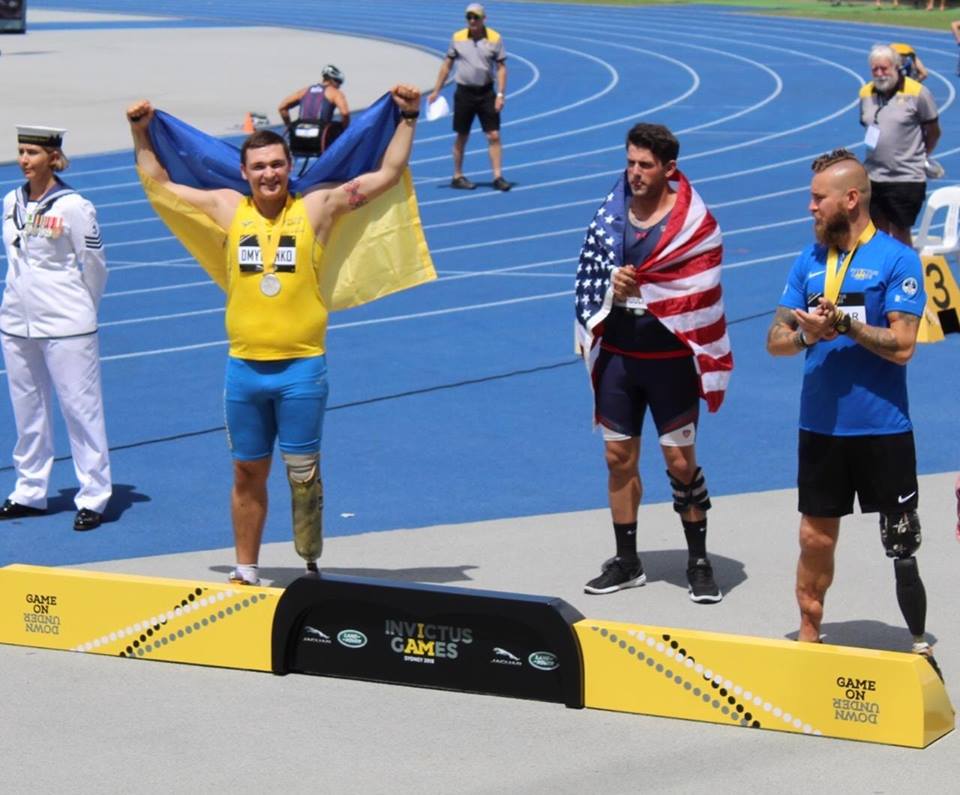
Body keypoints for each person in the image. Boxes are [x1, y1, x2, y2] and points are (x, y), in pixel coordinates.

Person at [127, 84, 423, 586]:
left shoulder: (318, 207)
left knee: (303, 477)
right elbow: (158, 182)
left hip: (301, 370)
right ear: (244, 172)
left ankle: (310, 561)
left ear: (290, 167)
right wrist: (140, 131)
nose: (269, 173)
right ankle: (245, 568)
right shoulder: (225, 207)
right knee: (247, 472)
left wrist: (409, 117)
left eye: (277, 165)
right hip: (244, 371)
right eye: (259, 166)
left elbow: (388, 174)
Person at [766, 148, 938, 675]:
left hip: (882, 426)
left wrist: (845, 325)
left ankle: (918, 647)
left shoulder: (896, 260)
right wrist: (805, 335)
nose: (810, 207)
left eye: (818, 198)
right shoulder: (808, 261)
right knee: (814, 538)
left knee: (901, 540)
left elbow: (903, 346)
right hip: (821, 427)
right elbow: (775, 340)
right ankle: (809, 640)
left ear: (851, 199)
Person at [574, 123, 733, 603]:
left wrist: (648, 286)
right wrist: (611, 285)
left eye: (645, 165)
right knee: (617, 458)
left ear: (669, 169)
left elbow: (700, 284)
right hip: (620, 359)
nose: (635, 173)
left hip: (669, 362)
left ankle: (698, 561)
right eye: (630, 163)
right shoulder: (611, 216)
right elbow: (589, 269)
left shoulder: (693, 224)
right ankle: (627, 561)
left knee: (680, 463)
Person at [0, 125, 111, 531]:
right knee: (27, 410)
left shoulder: (74, 206)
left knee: (80, 411)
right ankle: (30, 490)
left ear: (53, 157)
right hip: (17, 322)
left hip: (67, 324)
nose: (23, 160)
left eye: (32, 152)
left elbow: (95, 264)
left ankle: (94, 495)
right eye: (21, 151)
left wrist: (83, 308)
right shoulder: (10, 201)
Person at [859, 43, 941, 247]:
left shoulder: (918, 93)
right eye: (875, 69)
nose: (880, 74)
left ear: (896, 67)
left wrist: (922, 154)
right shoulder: (866, 93)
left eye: (884, 68)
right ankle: (883, 268)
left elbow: (933, 131)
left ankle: (904, 268)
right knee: (876, 233)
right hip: (874, 176)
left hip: (906, 176)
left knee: (900, 233)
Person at [427, 3, 510, 192]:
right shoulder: (458, 37)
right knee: (462, 135)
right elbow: (447, 65)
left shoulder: (494, 38)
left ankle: (498, 177)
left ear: (483, 19)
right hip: (464, 93)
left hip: (486, 92)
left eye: (475, 17)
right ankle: (457, 176)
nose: (472, 21)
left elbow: (501, 68)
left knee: (494, 134)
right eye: (469, 17)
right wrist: (436, 90)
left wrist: (500, 94)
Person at [278, 64, 350, 157]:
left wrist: (289, 126)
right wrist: (345, 131)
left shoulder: (304, 91)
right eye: (339, 83)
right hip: (320, 139)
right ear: (334, 80)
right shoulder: (335, 93)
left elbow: (282, 108)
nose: (339, 86)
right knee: (337, 127)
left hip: (298, 138)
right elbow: (345, 113)